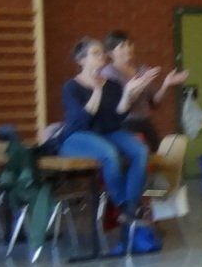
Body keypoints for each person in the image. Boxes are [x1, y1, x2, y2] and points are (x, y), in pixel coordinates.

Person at [56, 38, 161, 255]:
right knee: (109, 153)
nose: (102, 57)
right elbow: (81, 121)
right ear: (81, 60)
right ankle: (124, 205)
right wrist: (96, 90)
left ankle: (130, 208)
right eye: (95, 53)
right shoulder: (71, 87)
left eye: (102, 53)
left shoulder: (111, 85)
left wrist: (128, 93)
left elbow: (118, 115)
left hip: (107, 132)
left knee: (140, 151)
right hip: (77, 136)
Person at [101, 31, 187, 151]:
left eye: (129, 44)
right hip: (124, 124)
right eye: (122, 46)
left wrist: (166, 84)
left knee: (159, 154)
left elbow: (155, 101)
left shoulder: (141, 69)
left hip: (144, 121)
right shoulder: (109, 73)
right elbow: (121, 107)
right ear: (111, 53)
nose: (128, 49)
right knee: (140, 153)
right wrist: (141, 84)